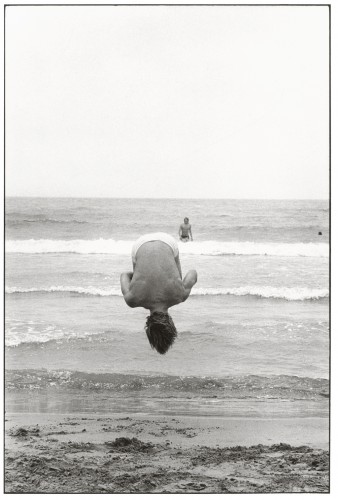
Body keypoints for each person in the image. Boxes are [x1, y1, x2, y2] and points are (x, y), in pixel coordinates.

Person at [120, 233, 197, 354]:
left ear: (171, 323)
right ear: (148, 326)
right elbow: (124, 275)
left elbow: (193, 273)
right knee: (136, 274)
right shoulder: (132, 300)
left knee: (179, 278)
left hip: (168, 242)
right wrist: (139, 275)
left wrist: (184, 286)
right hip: (139, 244)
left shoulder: (180, 296)